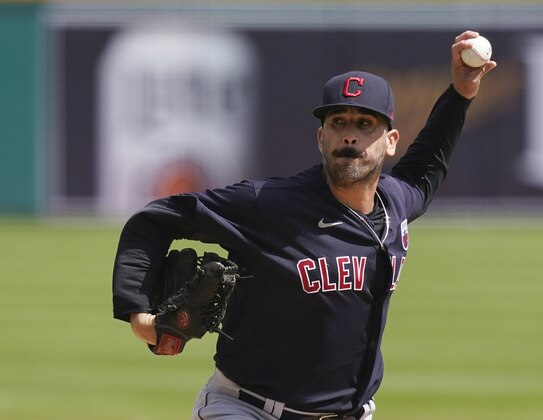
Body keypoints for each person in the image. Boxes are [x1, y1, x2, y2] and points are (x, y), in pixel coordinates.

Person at [112, 30, 497, 420]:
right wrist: (137, 311)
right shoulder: (271, 205)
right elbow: (154, 220)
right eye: (338, 121)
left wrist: (461, 93)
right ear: (321, 136)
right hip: (248, 409)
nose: (350, 134)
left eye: (365, 124)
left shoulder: (395, 202)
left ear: (391, 140)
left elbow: (426, 165)